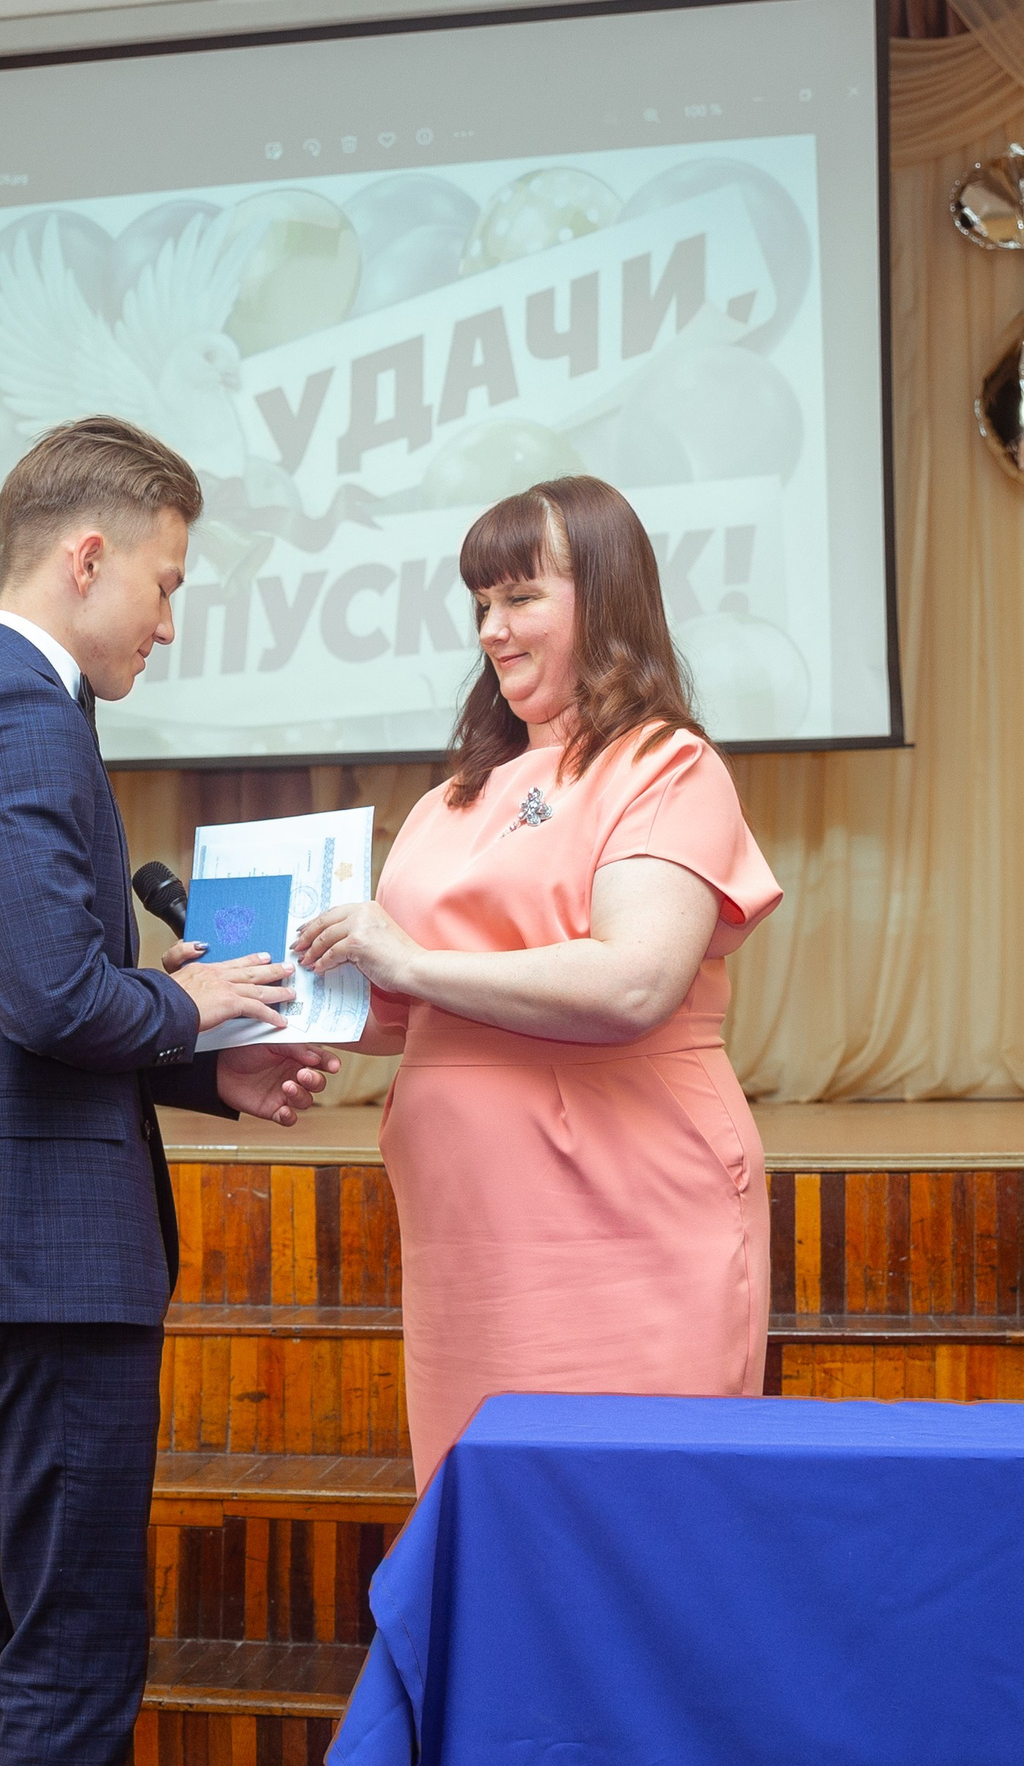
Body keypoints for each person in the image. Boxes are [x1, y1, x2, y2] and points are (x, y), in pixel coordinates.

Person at [0, 415, 340, 1765]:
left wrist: (211, 1059)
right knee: (70, 1643)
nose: (170, 623)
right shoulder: (18, 713)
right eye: (167, 583)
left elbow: (41, 1001)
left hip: (2, 1249)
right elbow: (56, 998)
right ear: (87, 556)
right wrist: (189, 1000)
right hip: (43, 1264)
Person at [292, 475, 782, 1490]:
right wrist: (257, 999)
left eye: (520, 597)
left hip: (624, 1225)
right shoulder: (451, 798)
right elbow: (400, 1009)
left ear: (603, 596)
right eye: (480, 603)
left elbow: (636, 979)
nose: (492, 629)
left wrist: (412, 959)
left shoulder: (665, 766)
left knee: (636, 1526)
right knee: (487, 1531)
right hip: (469, 1251)